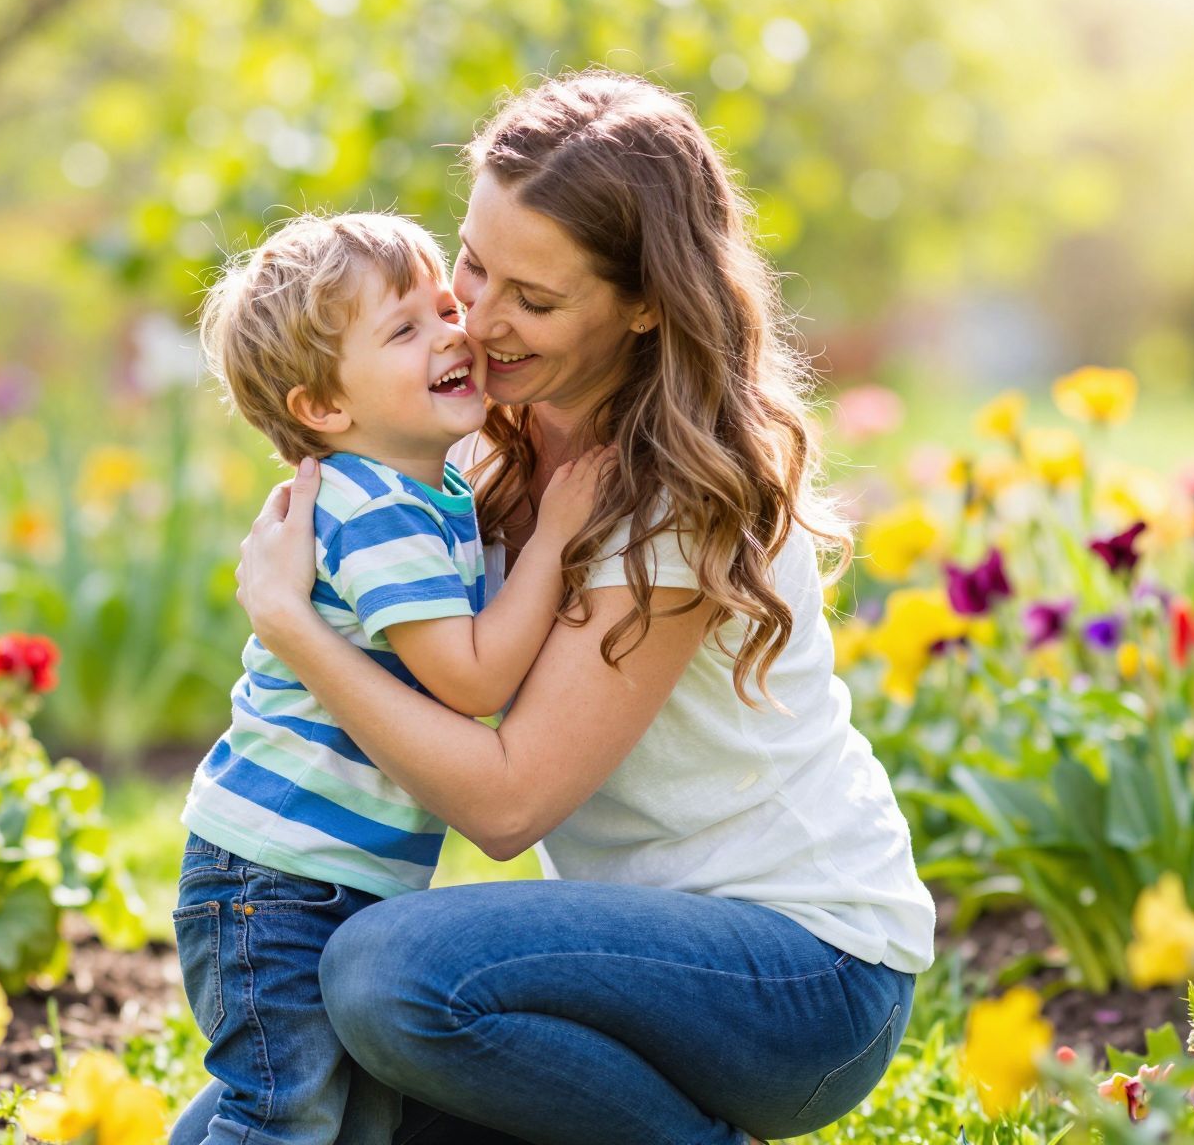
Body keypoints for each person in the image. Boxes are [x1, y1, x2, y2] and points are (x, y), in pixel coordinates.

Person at [226, 72, 937, 1144]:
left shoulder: (681, 492)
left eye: (536, 300)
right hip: (625, 969)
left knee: (384, 976)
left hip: (807, 977)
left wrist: (294, 628)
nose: (479, 320)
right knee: (285, 1089)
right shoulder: (480, 437)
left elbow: (508, 808)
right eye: (471, 264)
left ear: (647, 301)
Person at [172, 212, 605, 1145]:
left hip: (319, 878)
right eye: (404, 330)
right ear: (323, 409)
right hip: (278, 884)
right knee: (282, 1117)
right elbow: (472, 678)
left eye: (444, 307)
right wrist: (559, 540)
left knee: (356, 1126)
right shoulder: (373, 509)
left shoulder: (423, 492)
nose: (454, 332)